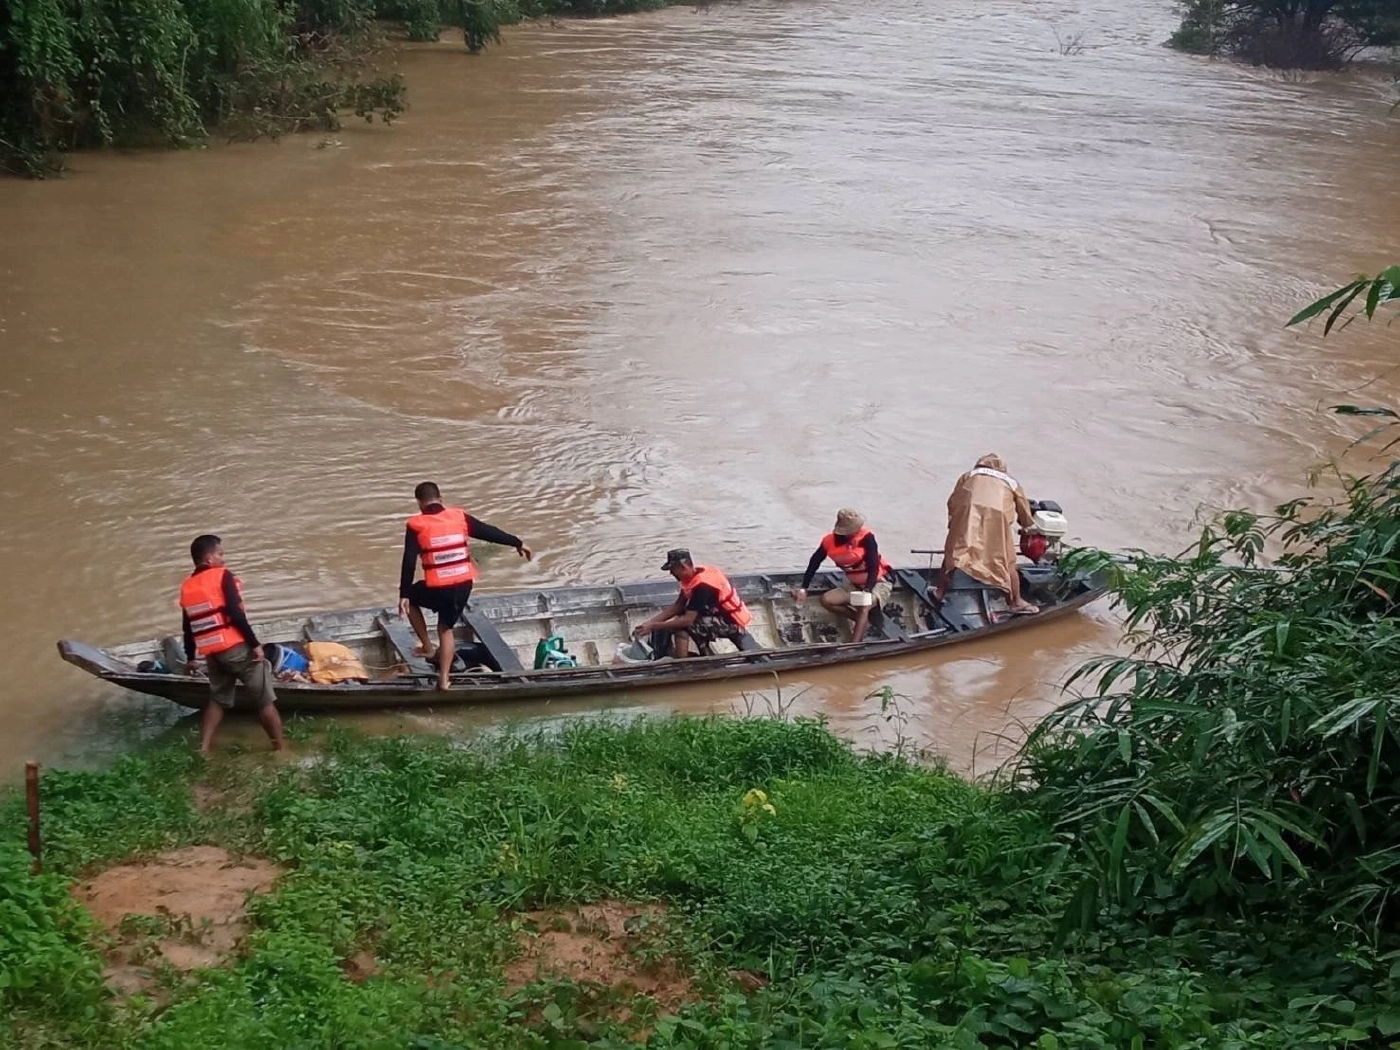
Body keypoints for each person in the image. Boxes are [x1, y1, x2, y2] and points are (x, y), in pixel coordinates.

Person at [399, 481, 533, 690]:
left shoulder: (416, 524)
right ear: (441, 499)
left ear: (419, 503)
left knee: (413, 600)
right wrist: (517, 542)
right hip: (463, 585)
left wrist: (403, 593)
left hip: (439, 586)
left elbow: (409, 560)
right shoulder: (459, 516)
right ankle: (444, 679)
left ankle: (427, 648)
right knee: (446, 628)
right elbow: (488, 532)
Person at [179, 534, 286, 756]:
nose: (223, 559)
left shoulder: (188, 586)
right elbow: (236, 615)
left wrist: (191, 657)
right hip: (236, 649)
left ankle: (203, 748)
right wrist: (255, 644)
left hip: (213, 653)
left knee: (218, 700)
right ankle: (280, 748)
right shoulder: (222, 576)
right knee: (265, 700)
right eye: (220, 554)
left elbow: (188, 628)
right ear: (209, 558)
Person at [935, 454, 1039, 615]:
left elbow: (953, 502)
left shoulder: (968, 475)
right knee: (1005, 560)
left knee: (953, 553)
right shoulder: (1010, 482)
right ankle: (1015, 601)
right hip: (997, 518)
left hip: (968, 514)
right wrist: (1027, 526)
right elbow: (1024, 514)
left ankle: (939, 592)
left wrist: (953, 524)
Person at [790, 508, 893, 643]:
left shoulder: (866, 537)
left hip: (878, 583)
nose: (858, 529)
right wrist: (804, 588)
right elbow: (814, 562)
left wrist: (867, 591)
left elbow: (873, 567)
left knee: (863, 605)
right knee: (827, 600)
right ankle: (862, 621)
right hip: (854, 585)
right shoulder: (829, 541)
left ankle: (854, 645)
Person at [633, 549, 756, 657]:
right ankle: (699, 655)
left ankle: (684, 664)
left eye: (673, 569)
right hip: (712, 616)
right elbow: (678, 606)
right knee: (675, 621)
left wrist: (654, 626)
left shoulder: (703, 586)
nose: (671, 573)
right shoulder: (692, 577)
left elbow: (688, 620)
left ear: (684, 567)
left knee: (681, 625)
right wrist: (650, 622)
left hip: (730, 623)